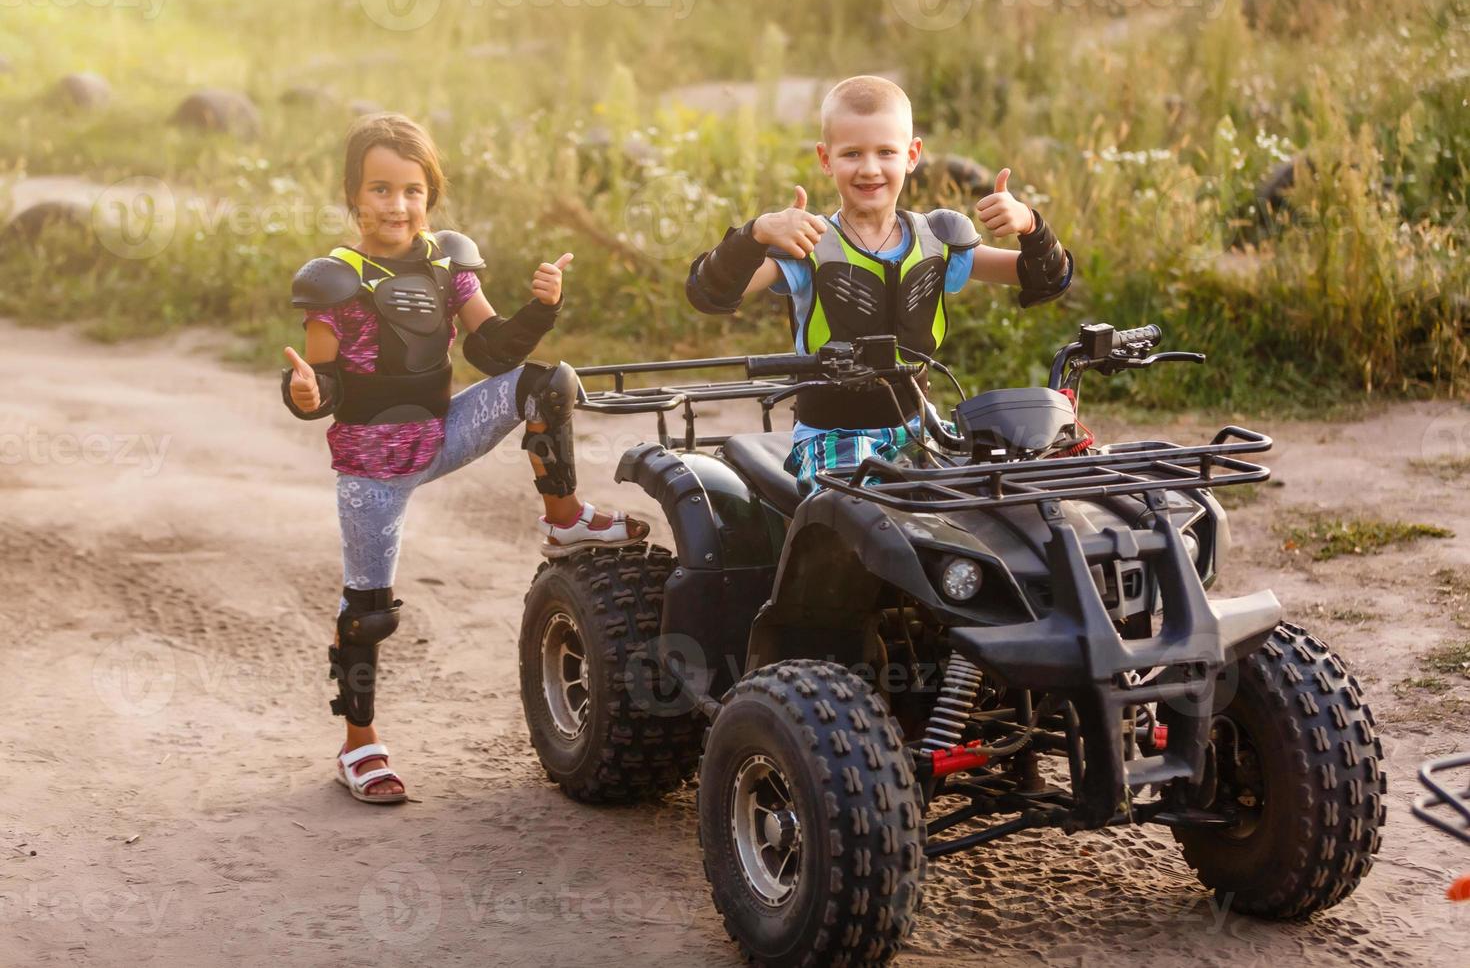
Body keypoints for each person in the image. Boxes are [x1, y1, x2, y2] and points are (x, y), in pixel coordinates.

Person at [283, 113, 647, 803]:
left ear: (432, 194)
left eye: (413, 190)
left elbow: (491, 352)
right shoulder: (334, 280)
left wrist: (541, 308)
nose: (398, 205)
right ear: (353, 195)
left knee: (546, 382)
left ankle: (564, 517)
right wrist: (302, 392)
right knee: (369, 611)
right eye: (381, 190)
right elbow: (322, 386)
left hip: (444, 431)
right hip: (372, 467)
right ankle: (359, 746)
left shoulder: (448, 259)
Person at [684, 75, 1073, 490]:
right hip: (833, 437)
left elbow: (1048, 279)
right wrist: (756, 233)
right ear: (825, 159)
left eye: (885, 152)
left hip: (920, 428)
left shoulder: (938, 241)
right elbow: (711, 293)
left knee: (998, 496)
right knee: (867, 513)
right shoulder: (809, 246)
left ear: (912, 154)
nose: (869, 168)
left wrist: (1031, 226)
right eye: (852, 153)